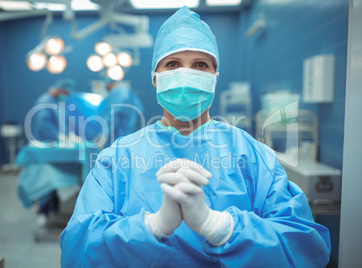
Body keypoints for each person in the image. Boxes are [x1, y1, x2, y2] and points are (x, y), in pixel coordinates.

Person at [60, 6, 330, 267]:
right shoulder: (117, 159)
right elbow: (78, 246)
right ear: (155, 77)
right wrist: (152, 227)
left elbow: (304, 247)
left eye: (200, 65)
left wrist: (220, 227)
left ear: (215, 77)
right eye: (173, 63)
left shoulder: (252, 155)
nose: (186, 74)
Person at [99, 81, 144, 147]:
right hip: (131, 137)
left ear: (110, 85)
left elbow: (113, 115)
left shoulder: (117, 92)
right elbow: (140, 109)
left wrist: (104, 135)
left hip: (118, 139)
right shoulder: (129, 92)